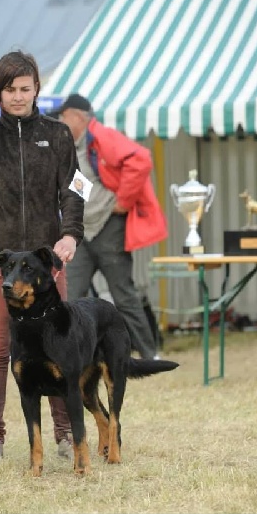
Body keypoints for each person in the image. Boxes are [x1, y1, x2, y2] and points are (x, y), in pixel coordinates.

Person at [0, 51, 84, 458]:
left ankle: (65, 433)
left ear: (36, 90)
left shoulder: (59, 135)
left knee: (57, 347)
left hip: (45, 263)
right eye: (9, 89)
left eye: (24, 88)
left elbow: (75, 190)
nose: (17, 96)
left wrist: (71, 235)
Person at [50, 93, 168, 360]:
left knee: (123, 295)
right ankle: (66, 355)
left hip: (109, 228)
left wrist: (123, 201)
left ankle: (150, 355)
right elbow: (85, 185)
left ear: (78, 117)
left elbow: (141, 159)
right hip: (81, 232)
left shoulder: (102, 136)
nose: (61, 121)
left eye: (64, 116)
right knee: (70, 297)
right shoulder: (74, 146)